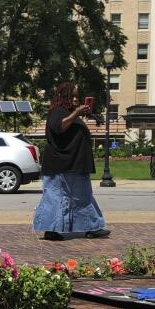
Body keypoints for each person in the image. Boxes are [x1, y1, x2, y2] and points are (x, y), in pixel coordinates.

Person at [33, 82, 111, 241]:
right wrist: (76, 113)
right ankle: (51, 230)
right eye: (73, 96)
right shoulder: (57, 111)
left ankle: (92, 226)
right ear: (64, 97)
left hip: (75, 164)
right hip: (59, 165)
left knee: (83, 197)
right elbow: (59, 127)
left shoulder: (68, 113)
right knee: (55, 197)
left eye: (77, 96)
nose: (76, 99)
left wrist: (77, 114)